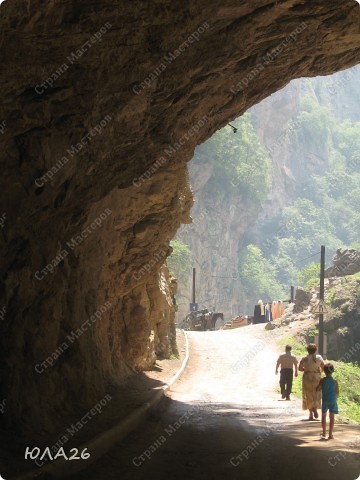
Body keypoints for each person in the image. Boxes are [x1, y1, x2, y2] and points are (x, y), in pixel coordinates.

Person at [299, 343, 325, 420]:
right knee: (316, 393)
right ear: (315, 350)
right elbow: (323, 367)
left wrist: (306, 369)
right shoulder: (319, 357)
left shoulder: (304, 358)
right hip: (316, 377)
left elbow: (300, 368)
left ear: (307, 350)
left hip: (307, 377)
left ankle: (310, 414)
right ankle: (315, 408)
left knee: (308, 394)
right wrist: (318, 371)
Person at [316, 363, 339, 439]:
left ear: (324, 371)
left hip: (325, 400)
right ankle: (330, 434)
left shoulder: (322, 380)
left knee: (323, 416)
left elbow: (318, 389)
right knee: (332, 417)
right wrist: (335, 398)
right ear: (332, 371)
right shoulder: (335, 382)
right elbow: (337, 392)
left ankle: (324, 433)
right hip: (332, 400)